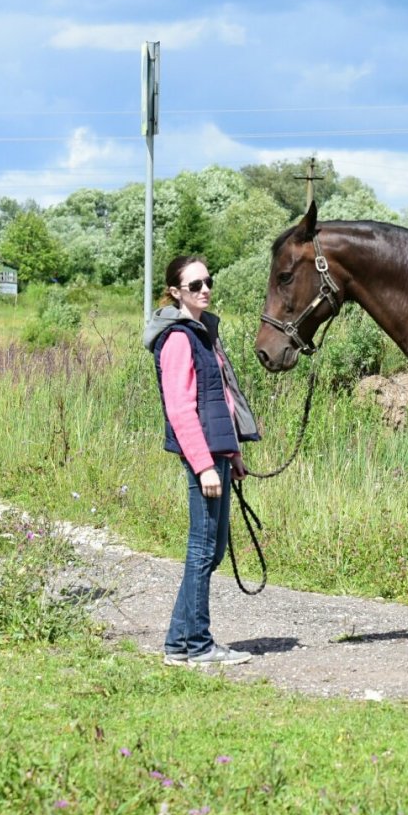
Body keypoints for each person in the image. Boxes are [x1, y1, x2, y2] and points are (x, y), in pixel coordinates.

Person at [143, 255, 261, 667]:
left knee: (212, 550)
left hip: (217, 453)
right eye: (195, 285)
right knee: (202, 548)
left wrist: (232, 454)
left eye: (207, 282)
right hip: (203, 458)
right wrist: (204, 464)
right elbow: (180, 408)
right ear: (176, 292)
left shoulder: (203, 334)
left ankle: (179, 643)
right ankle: (199, 645)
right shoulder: (178, 338)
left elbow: (220, 401)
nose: (205, 289)